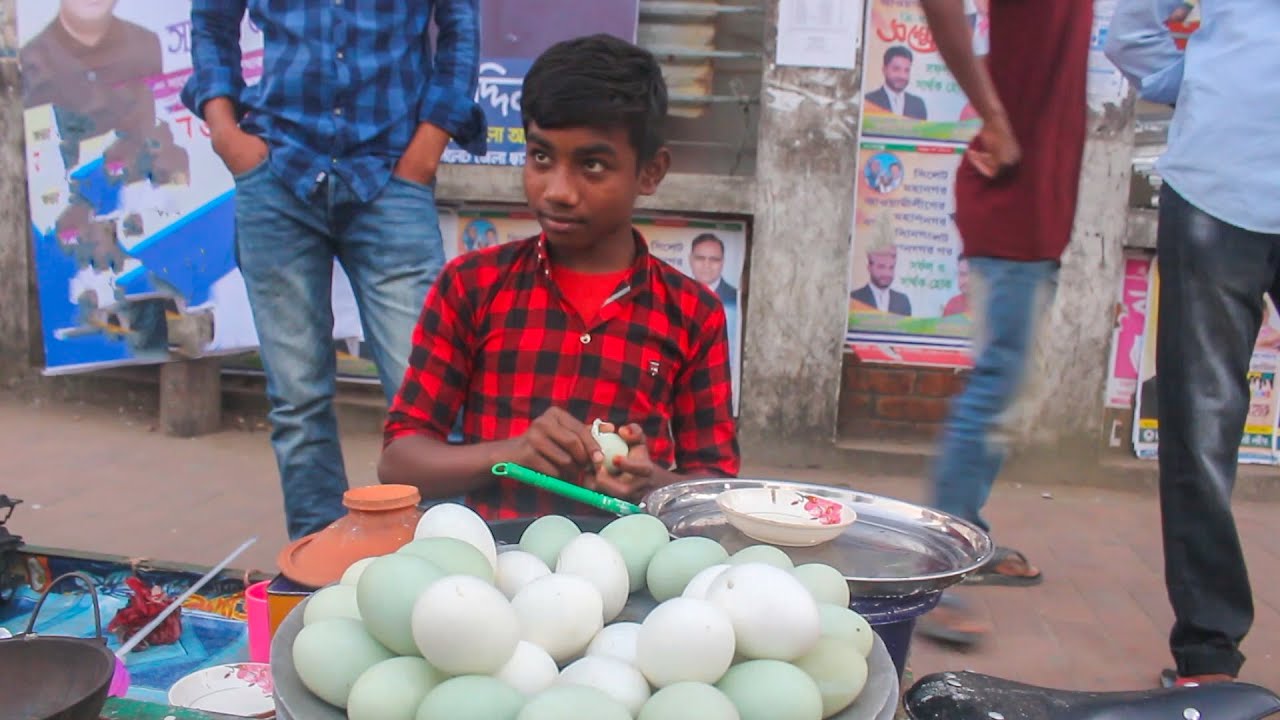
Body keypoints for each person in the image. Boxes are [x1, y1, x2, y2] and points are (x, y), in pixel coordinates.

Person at [378, 34, 740, 518]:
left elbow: (716, 493)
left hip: (627, 568)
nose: (558, 191)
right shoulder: (471, 284)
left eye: (592, 165)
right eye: (541, 157)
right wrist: (510, 454)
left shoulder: (694, 313)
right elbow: (400, 460)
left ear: (650, 173)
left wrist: (648, 482)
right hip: (491, 566)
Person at [182, 0, 485, 540]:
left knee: (427, 399)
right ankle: (321, 575)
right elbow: (211, 20)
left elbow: (460, 28)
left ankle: (447, 561)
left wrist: (428, 147)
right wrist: (226, 133)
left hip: (391, 174)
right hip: (279, 174)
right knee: (298, 402)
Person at [1106, 0, 1280, 687]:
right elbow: (1133, 29)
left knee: (1202, 429)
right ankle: (1208, 654)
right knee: (1201, 429)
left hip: (1219, 163)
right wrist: (1203, 83)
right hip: (1219, 188)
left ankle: (1209, 658)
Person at [911, 0, 1092, 647]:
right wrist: (993, 117)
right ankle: (933, 563)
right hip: (1012, 196)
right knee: (998, 381)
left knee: (1011, 383)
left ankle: (966, 531)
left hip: (1042, 200)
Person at [865, 46, 928, 120]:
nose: (902, 76)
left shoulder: (918, 104)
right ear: (884, 70)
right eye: (896, 69)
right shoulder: (868, 101)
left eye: (906, 70)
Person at [851, 244, 913, 316]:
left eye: (891, 267)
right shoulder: (854, 299)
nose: (887, 273)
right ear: (869, 268)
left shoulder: (903, 301)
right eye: (881, 267)